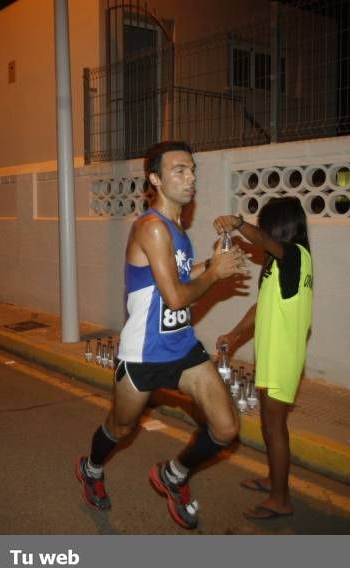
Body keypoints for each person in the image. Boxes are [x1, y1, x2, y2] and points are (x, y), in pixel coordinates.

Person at [75, 141, 247, 529]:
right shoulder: (153, 228)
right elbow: (175, 296)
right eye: (179, 171)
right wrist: (215, 274)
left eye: (192, 170)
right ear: (155, 179)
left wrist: (211, 263)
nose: (190, 179)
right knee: (119, 428)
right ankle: (91, 468)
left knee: (226, 427)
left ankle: (173, 474)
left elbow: (178, 276)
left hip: (182, 347)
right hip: (144, 354)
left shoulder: (176, 232)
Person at [213, 196, 313, 520]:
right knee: (270, 427)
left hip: (283, 356)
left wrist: (240, 225)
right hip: (270, 354)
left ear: (279, 227)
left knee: (275, 426)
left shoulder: (296, 256)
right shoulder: (276, 266)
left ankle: (281, 499)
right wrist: (233, 335)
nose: (264, 234)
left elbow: (266, 242)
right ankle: (274, 481)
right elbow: (261, 308)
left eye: (267, 226)